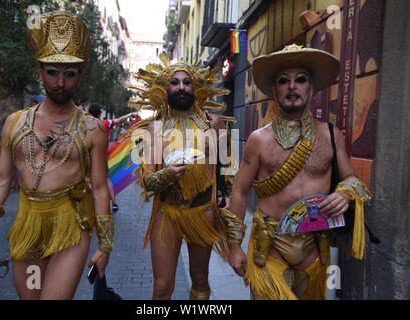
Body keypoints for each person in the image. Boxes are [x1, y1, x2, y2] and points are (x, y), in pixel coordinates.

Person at [0, 11, 114, 300]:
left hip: (71, 229)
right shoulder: (15, 123)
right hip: (28, 228)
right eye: (52, 72)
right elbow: (0, 181)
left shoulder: (92, 129)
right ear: (40, 71)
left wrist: (104, 247)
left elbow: (99, 187)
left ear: (80, 75)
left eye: (69, 74)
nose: (60, 82)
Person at [221, 44, 371, 300]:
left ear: (310, 87)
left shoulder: (331, 135)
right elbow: (240, 191)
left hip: (315, 247)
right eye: (284, 81)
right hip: (269, 247)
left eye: (300, 80)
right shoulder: (258, 140)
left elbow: (353, 180)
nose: (292, 87)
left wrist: (345, 194)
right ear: (274, 89)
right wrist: (234, 248)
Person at [129, 52, 235, 300]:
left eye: (186, 82)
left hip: (203, 211)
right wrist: (165, 176)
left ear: (195, 88)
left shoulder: (214, 124)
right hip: (167, 212)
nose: (181, 87)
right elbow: (146, 180)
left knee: (200, 280)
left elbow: (229, 165)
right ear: (165, 88)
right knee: (162, 286)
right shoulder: (153, 129)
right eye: (174, 83)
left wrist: (227, 196)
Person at [88, 103, 138, 211]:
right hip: (102, 158)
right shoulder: (104, 123)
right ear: (99, 114)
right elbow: (119, 120)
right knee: (106, 180)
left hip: (88, 158)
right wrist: (131, 114)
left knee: (88, 179)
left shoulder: (85, 125)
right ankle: (114, 203)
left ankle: (90, 204)